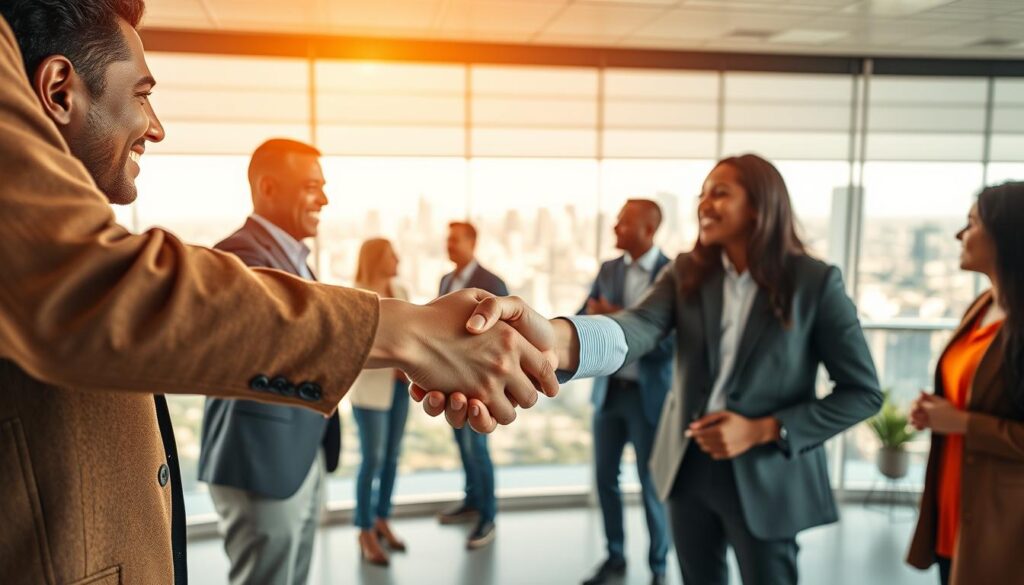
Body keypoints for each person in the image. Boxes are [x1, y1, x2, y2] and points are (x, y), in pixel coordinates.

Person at [0, 4, 555, 584]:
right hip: (259, 471)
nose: (156, 126)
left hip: (290, 464)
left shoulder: (298, 259)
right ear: (60, 91)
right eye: (141, 95)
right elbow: (111, 294)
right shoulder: (226, 259)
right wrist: (411, 333)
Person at [420, 154, 883, 585]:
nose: (706, 202)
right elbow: (636, 327)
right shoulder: (687, 272)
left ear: (761, 205)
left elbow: (862, 393)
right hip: (689, 467)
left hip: (766, 473)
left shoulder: (815, 283)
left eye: (720, 192)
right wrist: (546, 343)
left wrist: (765, 430)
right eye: (703, 192)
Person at [197, 138, 342, 585]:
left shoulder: (294, 258)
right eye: (311, 186)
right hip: (259, 462)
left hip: (299, 455)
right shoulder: (239, 258)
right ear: (269, 187)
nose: (324, 198)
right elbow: (293, 339)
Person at [906, 183, 1024, 585]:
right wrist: (936, 410)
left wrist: (962, 422)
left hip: (1005, 529)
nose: (961, 235)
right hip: (954, 512)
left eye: (972, 223)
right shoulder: (982, 307)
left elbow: (970, 418)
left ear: (1006, 234)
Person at [579, 200, 672, 585]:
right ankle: (615, 556)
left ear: (648, 230)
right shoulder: (608, 269)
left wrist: (614, 313)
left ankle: (658, 566)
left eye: (624, 221)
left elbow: (670, 344)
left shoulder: (672, 275)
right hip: (610, 394)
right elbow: (583, 319)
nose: (615, 226)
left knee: (652, 486)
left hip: (648, 398)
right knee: (605, 479)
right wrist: (599, 313)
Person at [435, 221, 507, 550]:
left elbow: (505, 335)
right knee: (463, 447)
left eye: (455, 240)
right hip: (452, 382)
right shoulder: (446, 281)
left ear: (472, 243)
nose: (449, 245)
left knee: (478, 450)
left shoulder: (492, 283)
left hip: (479, 382)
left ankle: (488, 515)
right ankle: (472, 500)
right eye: (448, 240)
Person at [348, 238, 411, 566]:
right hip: (370, 393)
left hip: (401, 388)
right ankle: (364, 529)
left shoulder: (400, 290)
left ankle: (382, 518)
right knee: (371, 460)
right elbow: (356, 348)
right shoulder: (356, 294)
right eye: (391, 254)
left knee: (392, 458)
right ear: (376, 259)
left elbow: (413, 337)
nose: (397, 258)